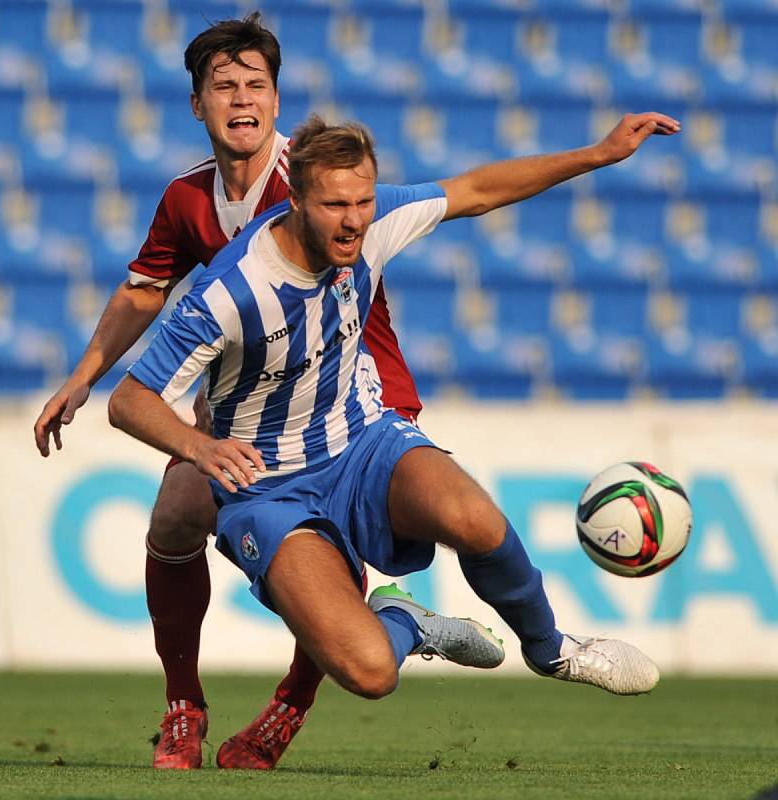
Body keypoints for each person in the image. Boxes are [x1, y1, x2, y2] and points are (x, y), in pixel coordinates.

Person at [107, 111, 681, 739]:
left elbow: (477, 189)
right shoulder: (229, 293)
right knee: (370, 672)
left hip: (364, 444)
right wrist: (199, 446)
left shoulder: (373, 223)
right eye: (334, 205)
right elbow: (131, 399)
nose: (353, 219)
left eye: (363, 201)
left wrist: (596, 155)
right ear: (294, 200)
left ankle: (552, 649)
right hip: (269, 489)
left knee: (475, 520)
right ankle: (404, 621)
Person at [32, 14, 424, 771]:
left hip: (354, 405)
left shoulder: (306, 184)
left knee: (326, 570)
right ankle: (184, 707)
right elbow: (144, 293)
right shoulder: (187, 200)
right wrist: (83, 378)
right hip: (254, 416)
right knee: (177, 515)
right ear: (196, 106)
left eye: (256, 85)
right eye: (224, 86)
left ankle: (289, 707)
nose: (241, 100)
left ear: (277, 101)